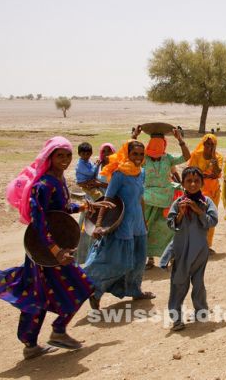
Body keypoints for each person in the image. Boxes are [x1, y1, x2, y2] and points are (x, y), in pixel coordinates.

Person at [0, 137, 111, 359]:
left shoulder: (58, 181)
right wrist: (56, 251)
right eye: (60, 155)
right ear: (49, 157)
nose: (65, 160)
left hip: (56, 249)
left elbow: (60, 209)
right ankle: (47, 337)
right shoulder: (42, 186)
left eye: (68, 155)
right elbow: (39, 221)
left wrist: (88, 205)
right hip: (45, 252)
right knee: (53, 291)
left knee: (41, 294)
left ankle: (41, 339)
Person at [84, 140, 156, 309]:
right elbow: (107, 200)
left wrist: (144, 220)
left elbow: (140, 198)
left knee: (139, 261)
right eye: (134, 154)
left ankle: (135, 290)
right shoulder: (119, 174)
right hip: (123, 224)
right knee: (120, 262)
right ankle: (96, 290)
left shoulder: (142, 172)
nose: (138, 158)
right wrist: (99, 224)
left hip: (138, 223)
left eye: (141, 154)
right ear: (127, 154)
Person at [132, 126, 191, 269]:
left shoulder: (167, 158)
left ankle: (171, 255)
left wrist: (180, 140)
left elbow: (186, 157)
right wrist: (134, 137)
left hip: (165, 200)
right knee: (146, 228)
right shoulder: (144, 158)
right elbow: (129, 155)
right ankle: (149, 258)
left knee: (168, 228)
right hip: (148, 200)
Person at [166, 167, 218, 331]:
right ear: (183, 183)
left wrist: (198, 211)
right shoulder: (178, 203)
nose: (193, 184)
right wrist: (181, 214)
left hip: (200, 251)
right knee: (178, 283)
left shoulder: (206, 202)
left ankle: (200, 311)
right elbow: (171, 223)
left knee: (198, 283)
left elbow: (212, 221)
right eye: (189, 181)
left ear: (202, 183)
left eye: (196, 181)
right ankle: (176, 318)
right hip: (181, 251)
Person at [76, 142, 116, 264]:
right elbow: (83, 180)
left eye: (109, 151)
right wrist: (85, 184)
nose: (106, 154)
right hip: (91, 201)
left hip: (107, 202)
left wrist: (100, 184)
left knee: (102, 229)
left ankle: (100, 259)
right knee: (86, 230)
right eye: (104, 151)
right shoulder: (96, 166)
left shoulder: (116, 167)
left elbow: (118, 185)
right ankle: (83, 258)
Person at [187, 134, 222, 250]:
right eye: (207, 143)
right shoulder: (196, 155)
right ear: (203, 143)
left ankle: (207, 244)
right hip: (198, 191)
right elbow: (190, 172)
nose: (209, 146)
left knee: (210, 217)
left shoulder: (218, 157)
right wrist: (205, 175)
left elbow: (217, 173)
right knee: (196, 217)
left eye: (212, 144)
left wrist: (213, 159)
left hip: (213, 192)